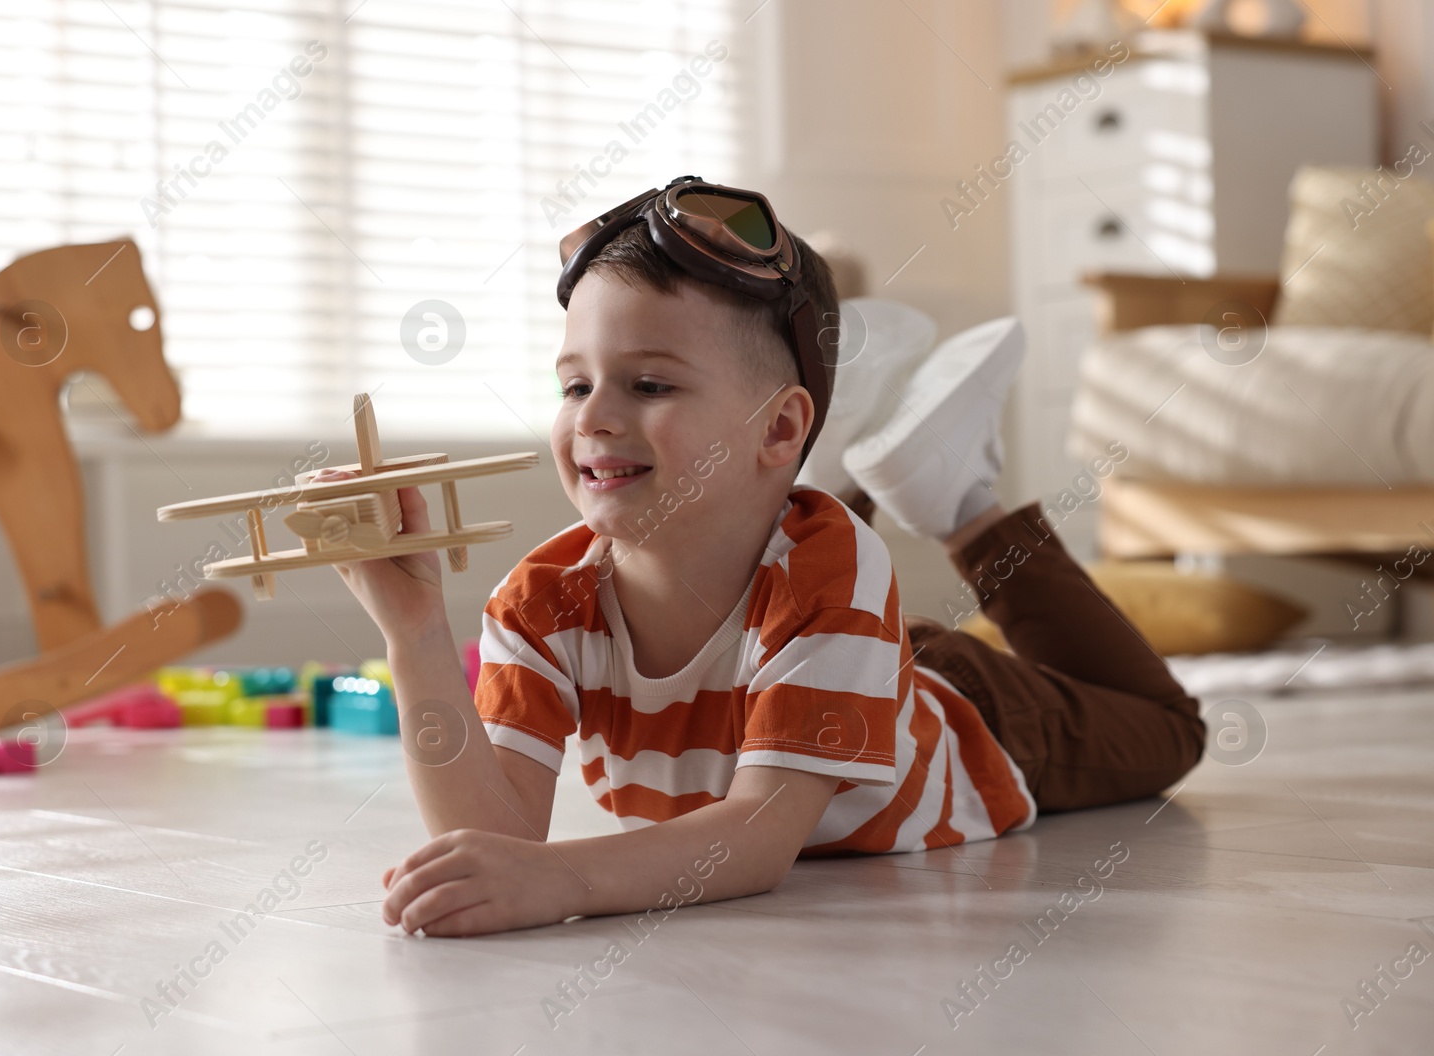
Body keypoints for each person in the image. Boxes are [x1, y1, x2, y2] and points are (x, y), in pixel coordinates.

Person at [327, 177, 1204, 937]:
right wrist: (414, 632)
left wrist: (569, 880)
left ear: (778, 425)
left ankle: (962, 504)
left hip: (976, 716)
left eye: (650, 383)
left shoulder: (832, 568)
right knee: (800, 553)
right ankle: (851, 462)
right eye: (575, 383)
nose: (591, 415)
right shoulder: (543, 600)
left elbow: (758, 836)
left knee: (1169, 730)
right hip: (841, 660)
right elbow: (500, 842)